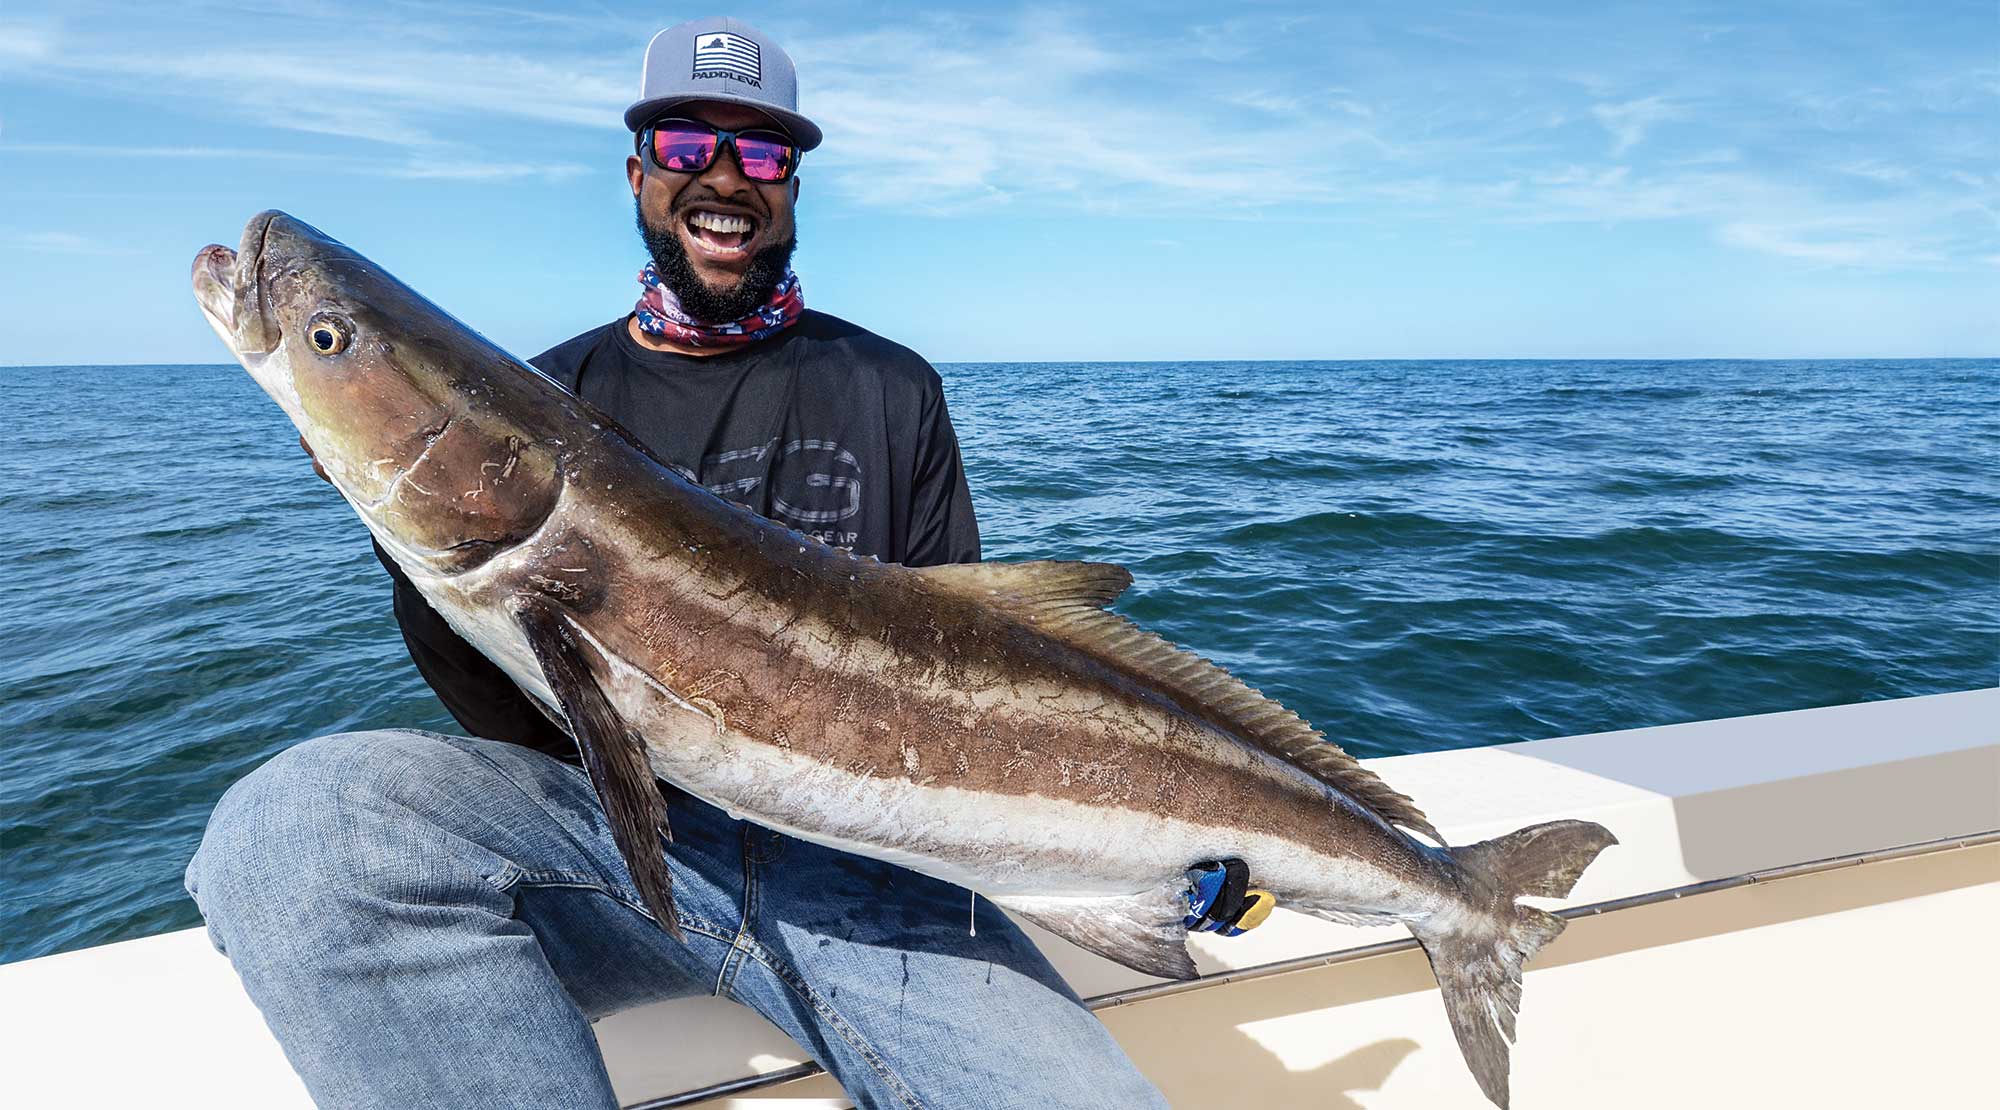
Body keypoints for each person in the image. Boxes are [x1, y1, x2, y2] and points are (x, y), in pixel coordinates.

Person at [186, 17, 1263, 1110]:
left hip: (885, 883)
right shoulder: (550, 392)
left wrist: (1139, 845)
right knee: (294, 830)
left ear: (790, 183)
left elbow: (975, 664)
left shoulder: (888, 386)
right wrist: (397, 529)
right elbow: (510, 724)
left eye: (759, 153)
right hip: (616, 854)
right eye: (684, 144)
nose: (723, 176)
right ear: (638, 172)